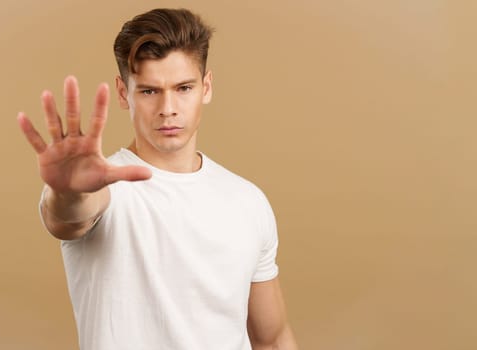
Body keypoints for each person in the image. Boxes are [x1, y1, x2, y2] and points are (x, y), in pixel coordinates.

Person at [17, 8, 298, 350]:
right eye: (150, 91)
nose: (168, 108)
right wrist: (67, 192)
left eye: (183, 88)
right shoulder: (104, 188)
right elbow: (68, 217)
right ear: (124, 94)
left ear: (206, 87)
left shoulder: (248, 201)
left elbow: (272, 339)